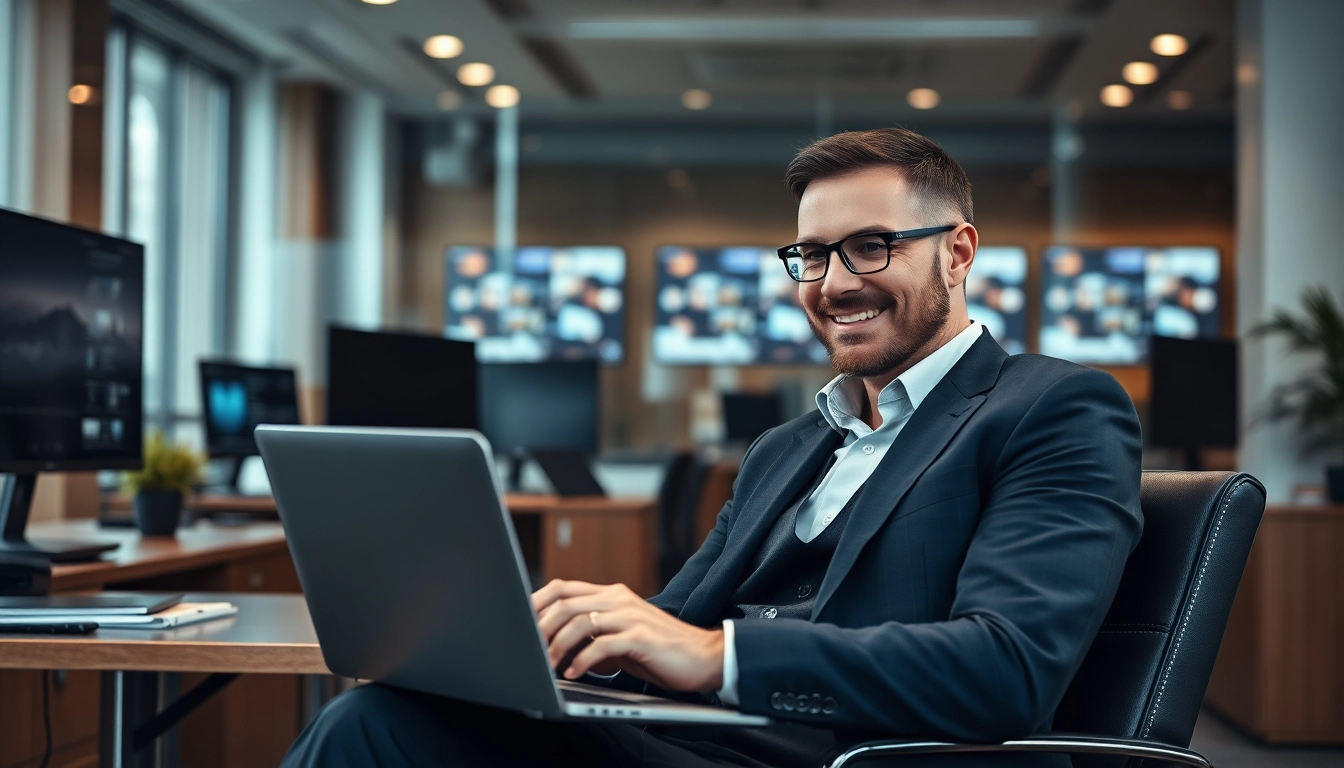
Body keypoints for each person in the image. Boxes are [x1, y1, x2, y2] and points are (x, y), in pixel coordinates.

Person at [281, 127, 1143, 768]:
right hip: (703, 745)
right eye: (810, 255)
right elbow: (673, 623)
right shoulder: (787, 447)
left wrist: (716, 656)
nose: (835, 283)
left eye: (870, 247)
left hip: (853, 757)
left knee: (378, 735)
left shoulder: (1054, 409)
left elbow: (1006, 668)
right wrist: (555, 642)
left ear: (957, 254)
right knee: (385, 714)